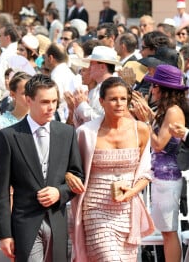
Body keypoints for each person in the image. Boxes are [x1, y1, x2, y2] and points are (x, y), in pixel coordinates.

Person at [0, 74, 84, 262]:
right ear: (28, 100)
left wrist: (59, 192)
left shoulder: (66, 133)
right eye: (44, 102)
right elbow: (0, 190)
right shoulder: (9, 136)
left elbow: (77, 177)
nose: (51, 107)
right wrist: (4, 234)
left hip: (58, 220)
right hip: (25, 222)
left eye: (54, 101)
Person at [68, 76, 154, 261]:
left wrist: (131, 192)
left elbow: (146, 172)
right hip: (95, 209)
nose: (119, 104)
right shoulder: (86, 132)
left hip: (127, 211)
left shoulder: (141, 130)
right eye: (113, 99)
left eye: (123, 99)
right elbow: (72, 167)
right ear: (101, 101)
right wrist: (69, 176)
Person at [131, 64, 188, 262]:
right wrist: (148, 114)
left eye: (155, 86)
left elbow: (158, 145)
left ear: (164, 89)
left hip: (167, 180)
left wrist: (145, 120)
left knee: (169, 232)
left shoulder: (173, 111)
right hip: (162, 179)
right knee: (166, 232)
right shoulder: (168, 111)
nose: (152, 90)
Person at [0, 71, 31, 152]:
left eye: (32, 92)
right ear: (13, 94)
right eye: (24, 93)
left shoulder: (40, 120)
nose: (29, 97)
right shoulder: (1, 124)